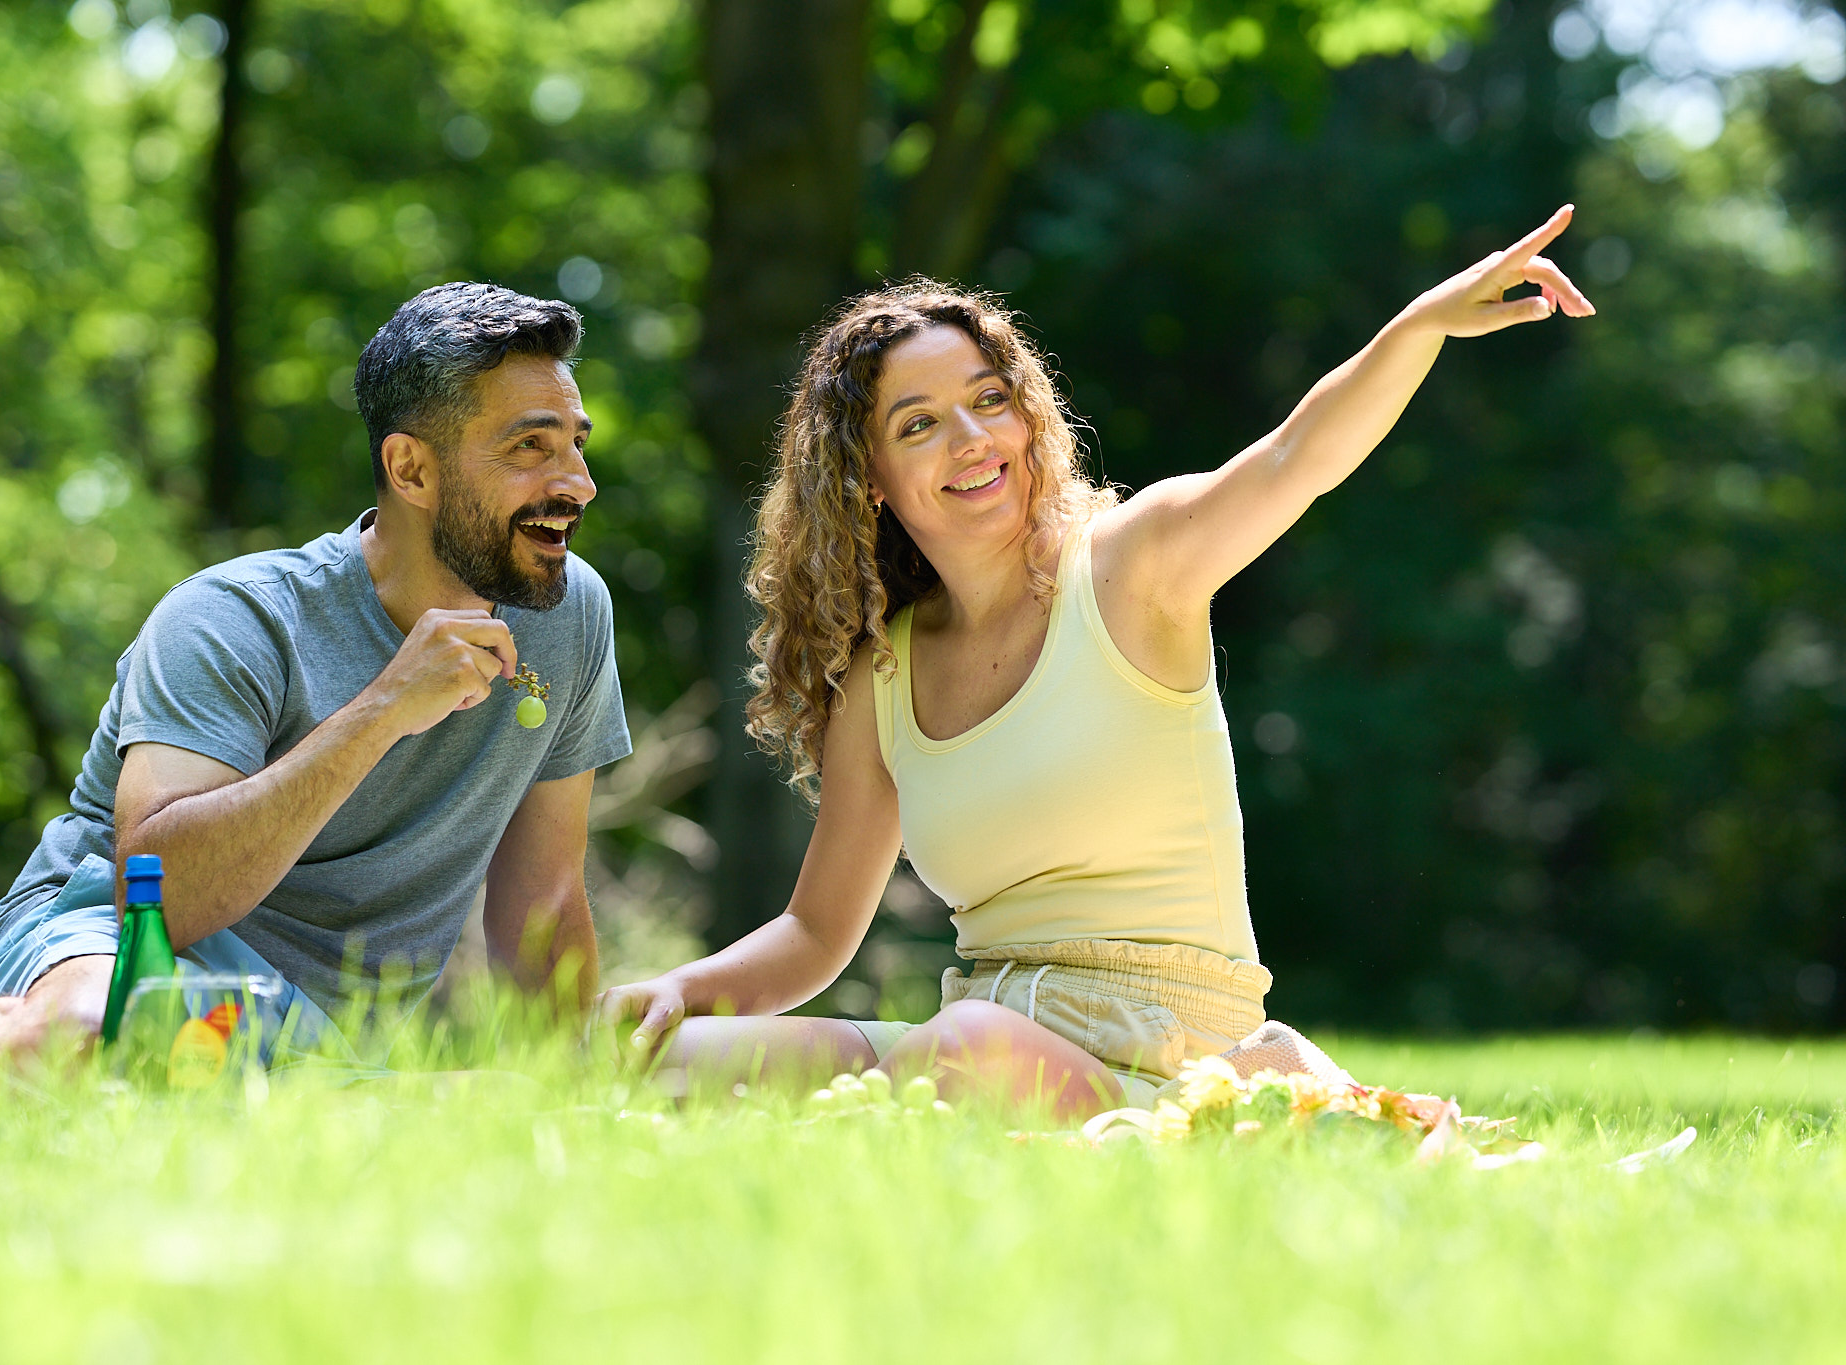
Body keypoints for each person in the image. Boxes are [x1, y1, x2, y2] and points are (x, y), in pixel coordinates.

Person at [600, 208, 1595, 1120]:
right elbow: (816, 935)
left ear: (1027, 415)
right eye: (918, 424)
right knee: (658, 1058)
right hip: (978, 1041)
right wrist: (678, 993)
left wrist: (1417, 326)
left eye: (988, 400)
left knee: (954, 1054)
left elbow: (1295, 459)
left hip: (1166, 1059)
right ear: (866, 482)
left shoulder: (1130, 565)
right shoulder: (883, 681)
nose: (970, 438)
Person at [0, 282, 632, 1077]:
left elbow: (544, 906)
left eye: (576, 444)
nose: (577, 483)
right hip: (112, 940)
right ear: (411, 469)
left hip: (313, 1035)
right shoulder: (231, 617)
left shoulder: (569, 614)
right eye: (531, 447)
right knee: (89, 1031)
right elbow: (159, 896)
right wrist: (384, 707)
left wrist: (566, 1095)